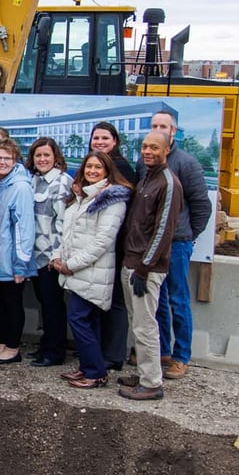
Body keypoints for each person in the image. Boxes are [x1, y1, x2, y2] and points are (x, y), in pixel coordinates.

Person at [52, 151, 132, 389]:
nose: (93, 171)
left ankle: (96, 372)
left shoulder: (111, 199)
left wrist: (70, 265)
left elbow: (102, 242)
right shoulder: (83, 197)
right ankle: (89, 367)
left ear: (107, 171)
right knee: (88, 320)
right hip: (77, 271)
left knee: (78, 318)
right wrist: (57, 257)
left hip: (90, 271)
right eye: (89, 167)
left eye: (98, 167)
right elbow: (68, 233)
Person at [145, 110, 212, 380]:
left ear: (174, 131)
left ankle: (181, 356)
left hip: (177, 244)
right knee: (156, 300)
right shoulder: (146, 162)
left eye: (164, 126)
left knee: (178, 299)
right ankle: (161, 350)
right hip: (152, 244)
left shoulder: (186, 163)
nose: (159, 129)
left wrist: (187, 234)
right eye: (154, 126)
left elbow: (201, 205)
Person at [116, 131, 182, 401]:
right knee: (137, 323)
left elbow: (164, 230)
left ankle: (152, 382)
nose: (148, 151)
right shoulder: (147, 178)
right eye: (144, 147)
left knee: (145, 326)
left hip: (145, 269)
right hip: (131, 263)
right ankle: (144, 373)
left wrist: (145, 268)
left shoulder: (168, 183)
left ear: (167, 150)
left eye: (154, 147)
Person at [0, 138, 36, 364]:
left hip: (12, 259)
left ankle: (12, 348)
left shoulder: (20, 187)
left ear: (15, 160)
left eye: (7, 158)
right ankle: (2, 344)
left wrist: (21, 262)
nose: (2, 162)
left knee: (11, 304)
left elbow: (25, 227)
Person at [89, 121, 136, 370]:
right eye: (96, 138)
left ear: (115, 141)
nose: (99, 142)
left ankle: (114, 354)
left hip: (116, 244)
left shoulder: (120, 168)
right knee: (100, 300)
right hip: (100, 244)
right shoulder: (101, 166)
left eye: (104, 138)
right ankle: (102, 350)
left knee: (115, 300)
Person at [27, 137, 74, 367]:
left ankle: (54, 352)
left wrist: (56, 255)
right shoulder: (34, 180)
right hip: (35, 256)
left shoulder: (63, 182)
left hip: (51, 258)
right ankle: (45, 346)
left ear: (55, 157)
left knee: (53, 305)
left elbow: (64, 223)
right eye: (38, 155)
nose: (42, 159)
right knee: (44, 303)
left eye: (47, 155)